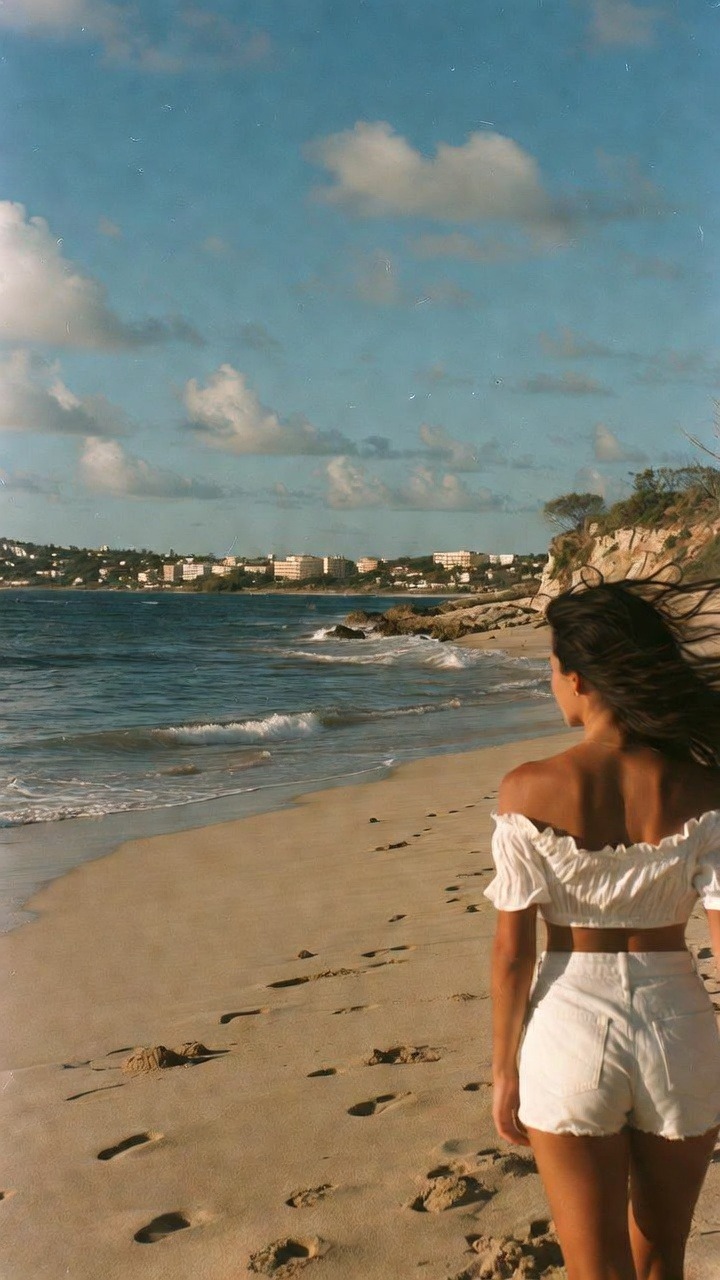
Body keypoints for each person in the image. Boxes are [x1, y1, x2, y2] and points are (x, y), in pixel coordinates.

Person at [485, 574, 720, 1280]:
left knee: (596, 1272)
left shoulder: (528, 788)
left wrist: (503, 1069)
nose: (552, 684)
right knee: (662, 1267)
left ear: (579, 679)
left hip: (570, 1022)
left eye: (551, 671)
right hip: (678, 1024)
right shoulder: (702, 787)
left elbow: (510, 952)